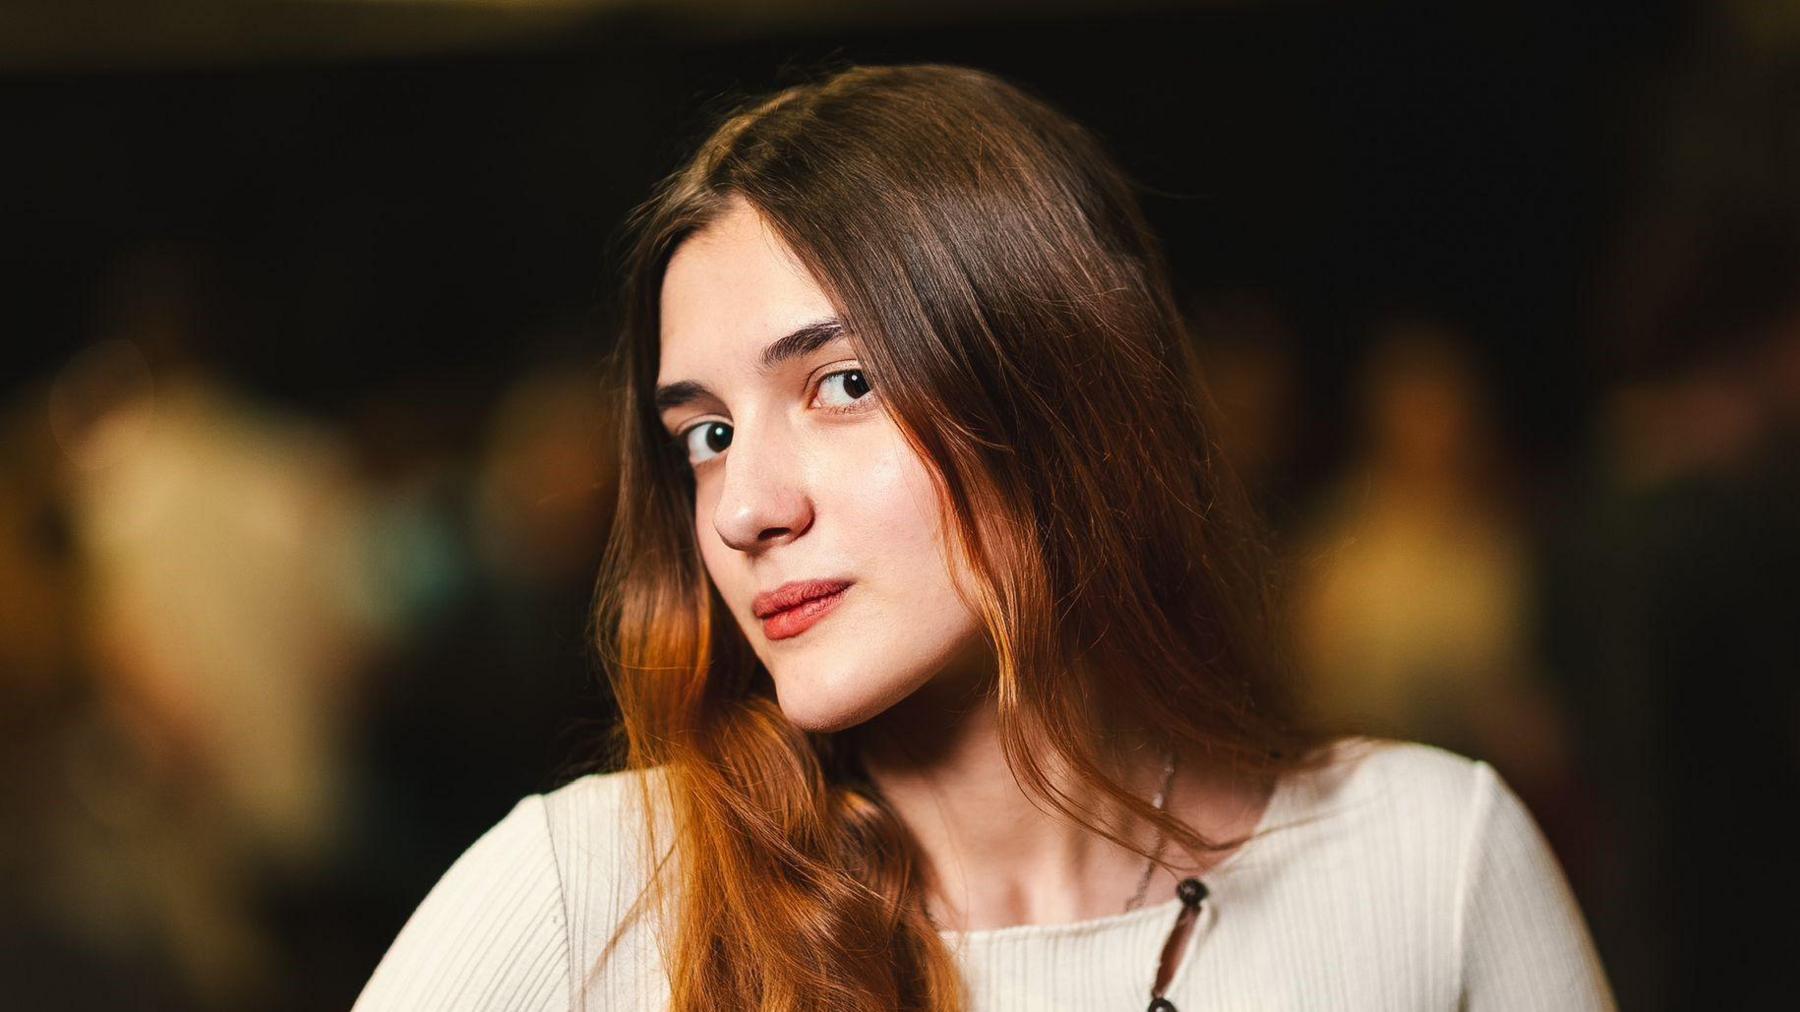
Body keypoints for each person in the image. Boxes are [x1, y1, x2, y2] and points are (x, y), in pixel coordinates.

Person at [353, 63, 1614, 1011]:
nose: (743, 509)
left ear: (1061, 385)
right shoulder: (594, 898)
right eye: (706, 433)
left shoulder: (1429, 861)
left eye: (841, 384)